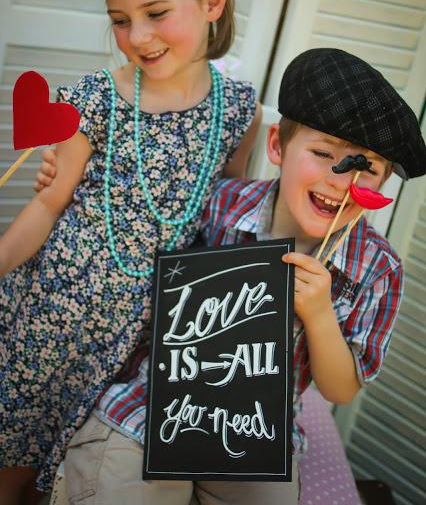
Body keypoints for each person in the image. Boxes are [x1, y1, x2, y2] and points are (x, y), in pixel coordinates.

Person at [35, 48, 426, 505]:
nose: (340, 184)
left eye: (369, 169)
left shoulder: (378, 269)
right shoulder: (221, 203)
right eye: (323, 153)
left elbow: (340, 388)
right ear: (277, 145)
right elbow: (135, 215)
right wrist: (64, 176)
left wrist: (318, 315)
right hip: (154, 406)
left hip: (258, 432)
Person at [0, 0, 262, 503]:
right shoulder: (95, 97)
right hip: (53, 311)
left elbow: (227, 224)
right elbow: (47, 202)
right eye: (120, 20)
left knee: (80, 467)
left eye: (155, 13)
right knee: (16, 449)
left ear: (212, 3)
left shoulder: (239, 111)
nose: (137, 37)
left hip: (143, 332)